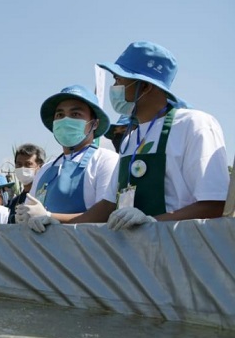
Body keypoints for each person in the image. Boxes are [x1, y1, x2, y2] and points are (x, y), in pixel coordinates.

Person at [79, 41, 229, 230]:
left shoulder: (194, 124)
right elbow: (107, 207)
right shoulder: (131, 138)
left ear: (146, 87)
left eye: (118, 80)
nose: (114, 87)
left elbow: (215, 204)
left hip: (178, 252)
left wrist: (153, 224)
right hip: (134, 254)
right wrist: (54, 220)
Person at [17, 85, 118, 233]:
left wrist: (51, 217)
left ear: (94, 123)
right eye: (60, 115)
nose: (65, 120)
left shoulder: (106, 160)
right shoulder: (45, 170)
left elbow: (105, 213)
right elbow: (31, 210)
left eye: (75, 114)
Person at [6, 143, 46, 223]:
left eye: (28, 164)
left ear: (40, 167)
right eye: (19, 164)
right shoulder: (14, 202)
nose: (22, 168)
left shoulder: (45, 196)